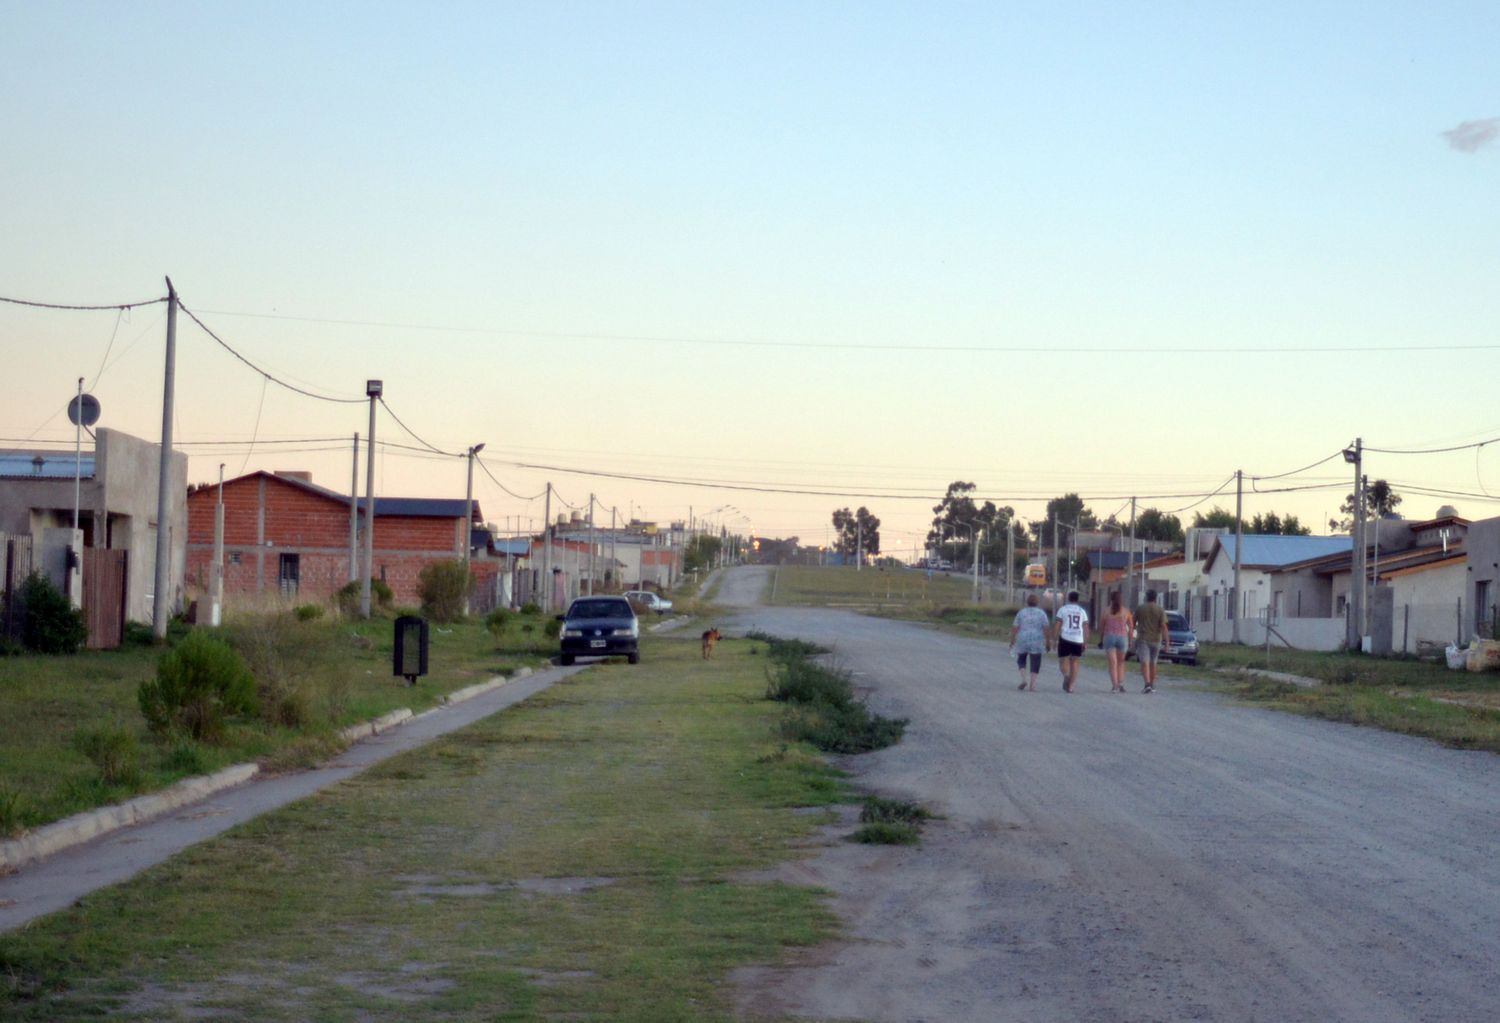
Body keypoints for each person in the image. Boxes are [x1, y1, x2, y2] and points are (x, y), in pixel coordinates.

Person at [1009, 592, 1052, 691]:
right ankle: (1032, 684)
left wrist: (1012, 640)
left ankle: (1024, 679)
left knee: (1021, 658)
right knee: (1035, 660)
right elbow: (1046, 628)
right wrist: (1048, 642)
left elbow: (1015, 627)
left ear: (1027, 602)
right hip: (1037, 639)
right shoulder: (1042, 613)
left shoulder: (1021, 612)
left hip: (1023, 638)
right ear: (1037, 602)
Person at [1133, 588, 1171, 694]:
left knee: (1144, 662)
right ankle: (1153, 685)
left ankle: (1147, 684)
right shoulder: (1160, 609)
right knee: (1153, 662)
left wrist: (1131, 637)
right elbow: (1164, 627)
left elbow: (1133, 622)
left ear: (1146, 597)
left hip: (1143, 639)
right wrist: (1167, 643)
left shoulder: (1140, 608)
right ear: (1155, 598)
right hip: (1156, 640)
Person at [1052, 590, 1090, 693]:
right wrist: (1086, 641)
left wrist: (1054, 639)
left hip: (1065, 638)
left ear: (1069, 599)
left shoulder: (1063, 609)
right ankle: (1071, 686)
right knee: (1075, 662)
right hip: (1078, 639)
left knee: (1063, 660)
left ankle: (1066, 675)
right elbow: (1086, 627)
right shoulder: (1082, 611)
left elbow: (1057, 625)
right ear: (1078, 599)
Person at [1098, 590, 1134, 693]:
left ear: (1111, 599)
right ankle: (1121, 683)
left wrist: (1101, 640)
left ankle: (1115, 686)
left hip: (1109, 637)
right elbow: (1131, 627)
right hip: (1122, 637)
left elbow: (1102, 627)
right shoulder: (1126, 612)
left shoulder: (1106, 611)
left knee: (1112, 663)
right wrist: (1131, 640)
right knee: (1121, 662)